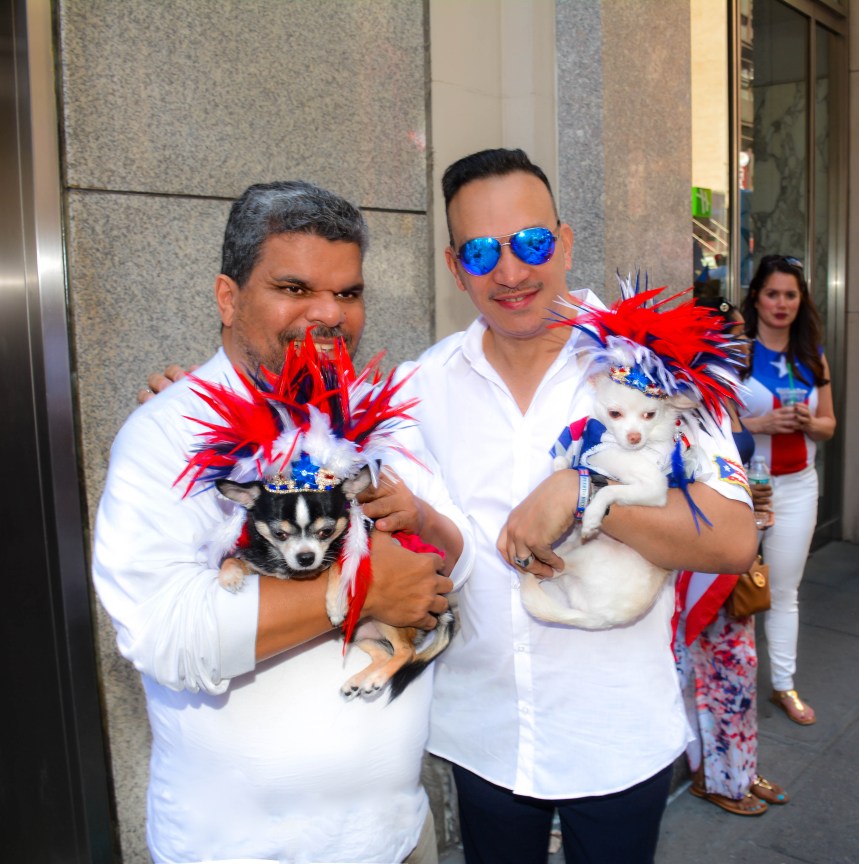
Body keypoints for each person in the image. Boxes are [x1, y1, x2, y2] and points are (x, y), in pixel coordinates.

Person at [379, 149, 758, 864]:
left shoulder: (650, 360)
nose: (512, 272)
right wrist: (187, 407)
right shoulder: (420, 387)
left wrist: (587, 497)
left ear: (565, 241)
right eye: (482, 251)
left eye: (530, 243)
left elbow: (734, 538)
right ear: (454, 264)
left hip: (615, 734)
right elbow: (312, 439)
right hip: (483, 735)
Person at [92, 180, 475, 864]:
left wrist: (425, 523)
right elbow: (165, 637)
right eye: (294, 289)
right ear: (227, 297)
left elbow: (458, 561)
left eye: (348, 293)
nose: (328, 314)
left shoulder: (376, 416)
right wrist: (352, 593)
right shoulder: (165, 435)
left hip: (394, 835)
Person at [674, 296, 788, 817]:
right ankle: (715, 778)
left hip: (732, 551)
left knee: (738, 668)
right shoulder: (683, 398)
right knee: (715, 671)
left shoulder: (724, 395)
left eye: (742, 334)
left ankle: (738, 769)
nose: (741, 344)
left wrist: (753, 499)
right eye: (731, 334)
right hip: (698, 557)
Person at [739, 255, 836, 726]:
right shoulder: (735, 351)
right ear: (756, 295)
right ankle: (723, 685)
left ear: (801, 301)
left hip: (798, 487)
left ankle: (783, 685)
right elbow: (709, 423)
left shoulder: (813, 355)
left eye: (790, 295)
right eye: (773, 293)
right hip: (742, 488)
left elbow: (830, 426)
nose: (781, 303)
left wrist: (809, 423)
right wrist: (760, 423)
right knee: (727, 587)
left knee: (783, 591)